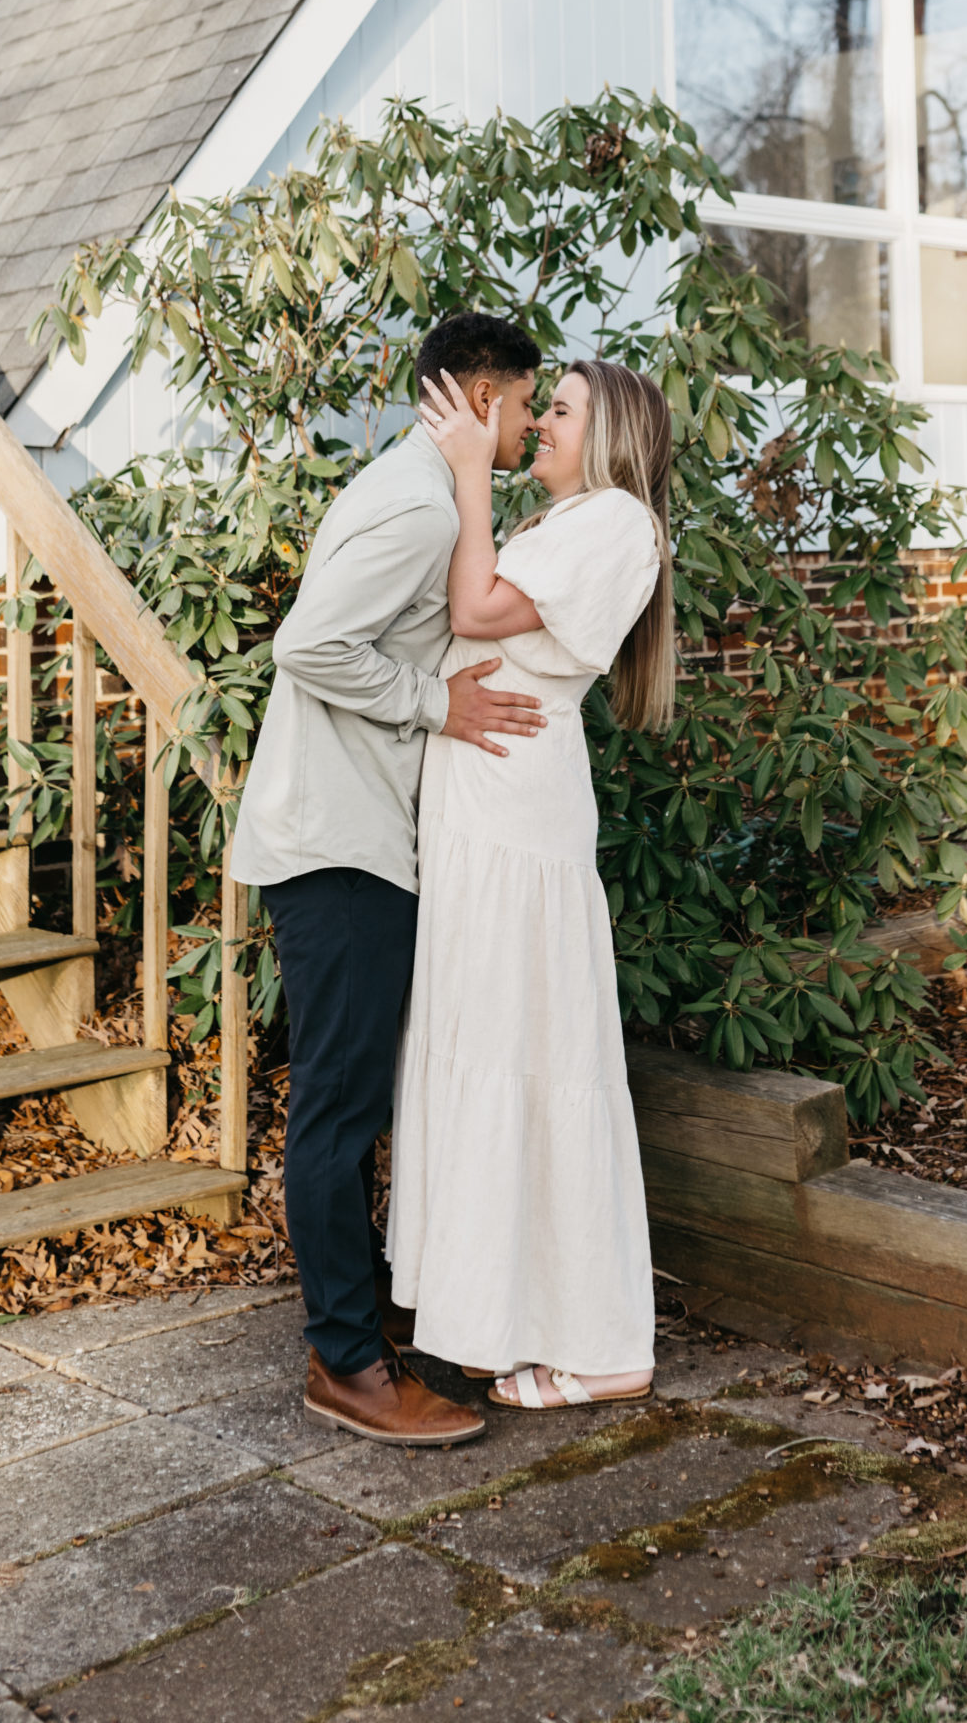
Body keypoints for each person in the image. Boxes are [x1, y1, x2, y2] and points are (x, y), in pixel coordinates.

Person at [230, 312, 547, 1447]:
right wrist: (435, 705)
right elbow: (308, 645)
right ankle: (347, 1364)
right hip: (339, 845)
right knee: (337, 1108)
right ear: (480, 395)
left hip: (353, 836)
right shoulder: (421, 507)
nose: (529, 426)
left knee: (349, 1099)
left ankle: (362, 1323)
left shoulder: (421, 488)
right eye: (526, 402)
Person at [388, 355, 676, 1408]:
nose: (540, 423)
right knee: (489, 1042)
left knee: (528, 1051)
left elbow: (474, 609)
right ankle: (493, 1312)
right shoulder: (572, 522)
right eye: (542, 406)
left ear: (612, 435)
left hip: (516, 818)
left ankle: (603, 1347)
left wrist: (470, 467)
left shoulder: (618, 522)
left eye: (561, 410)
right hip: (487, 811)